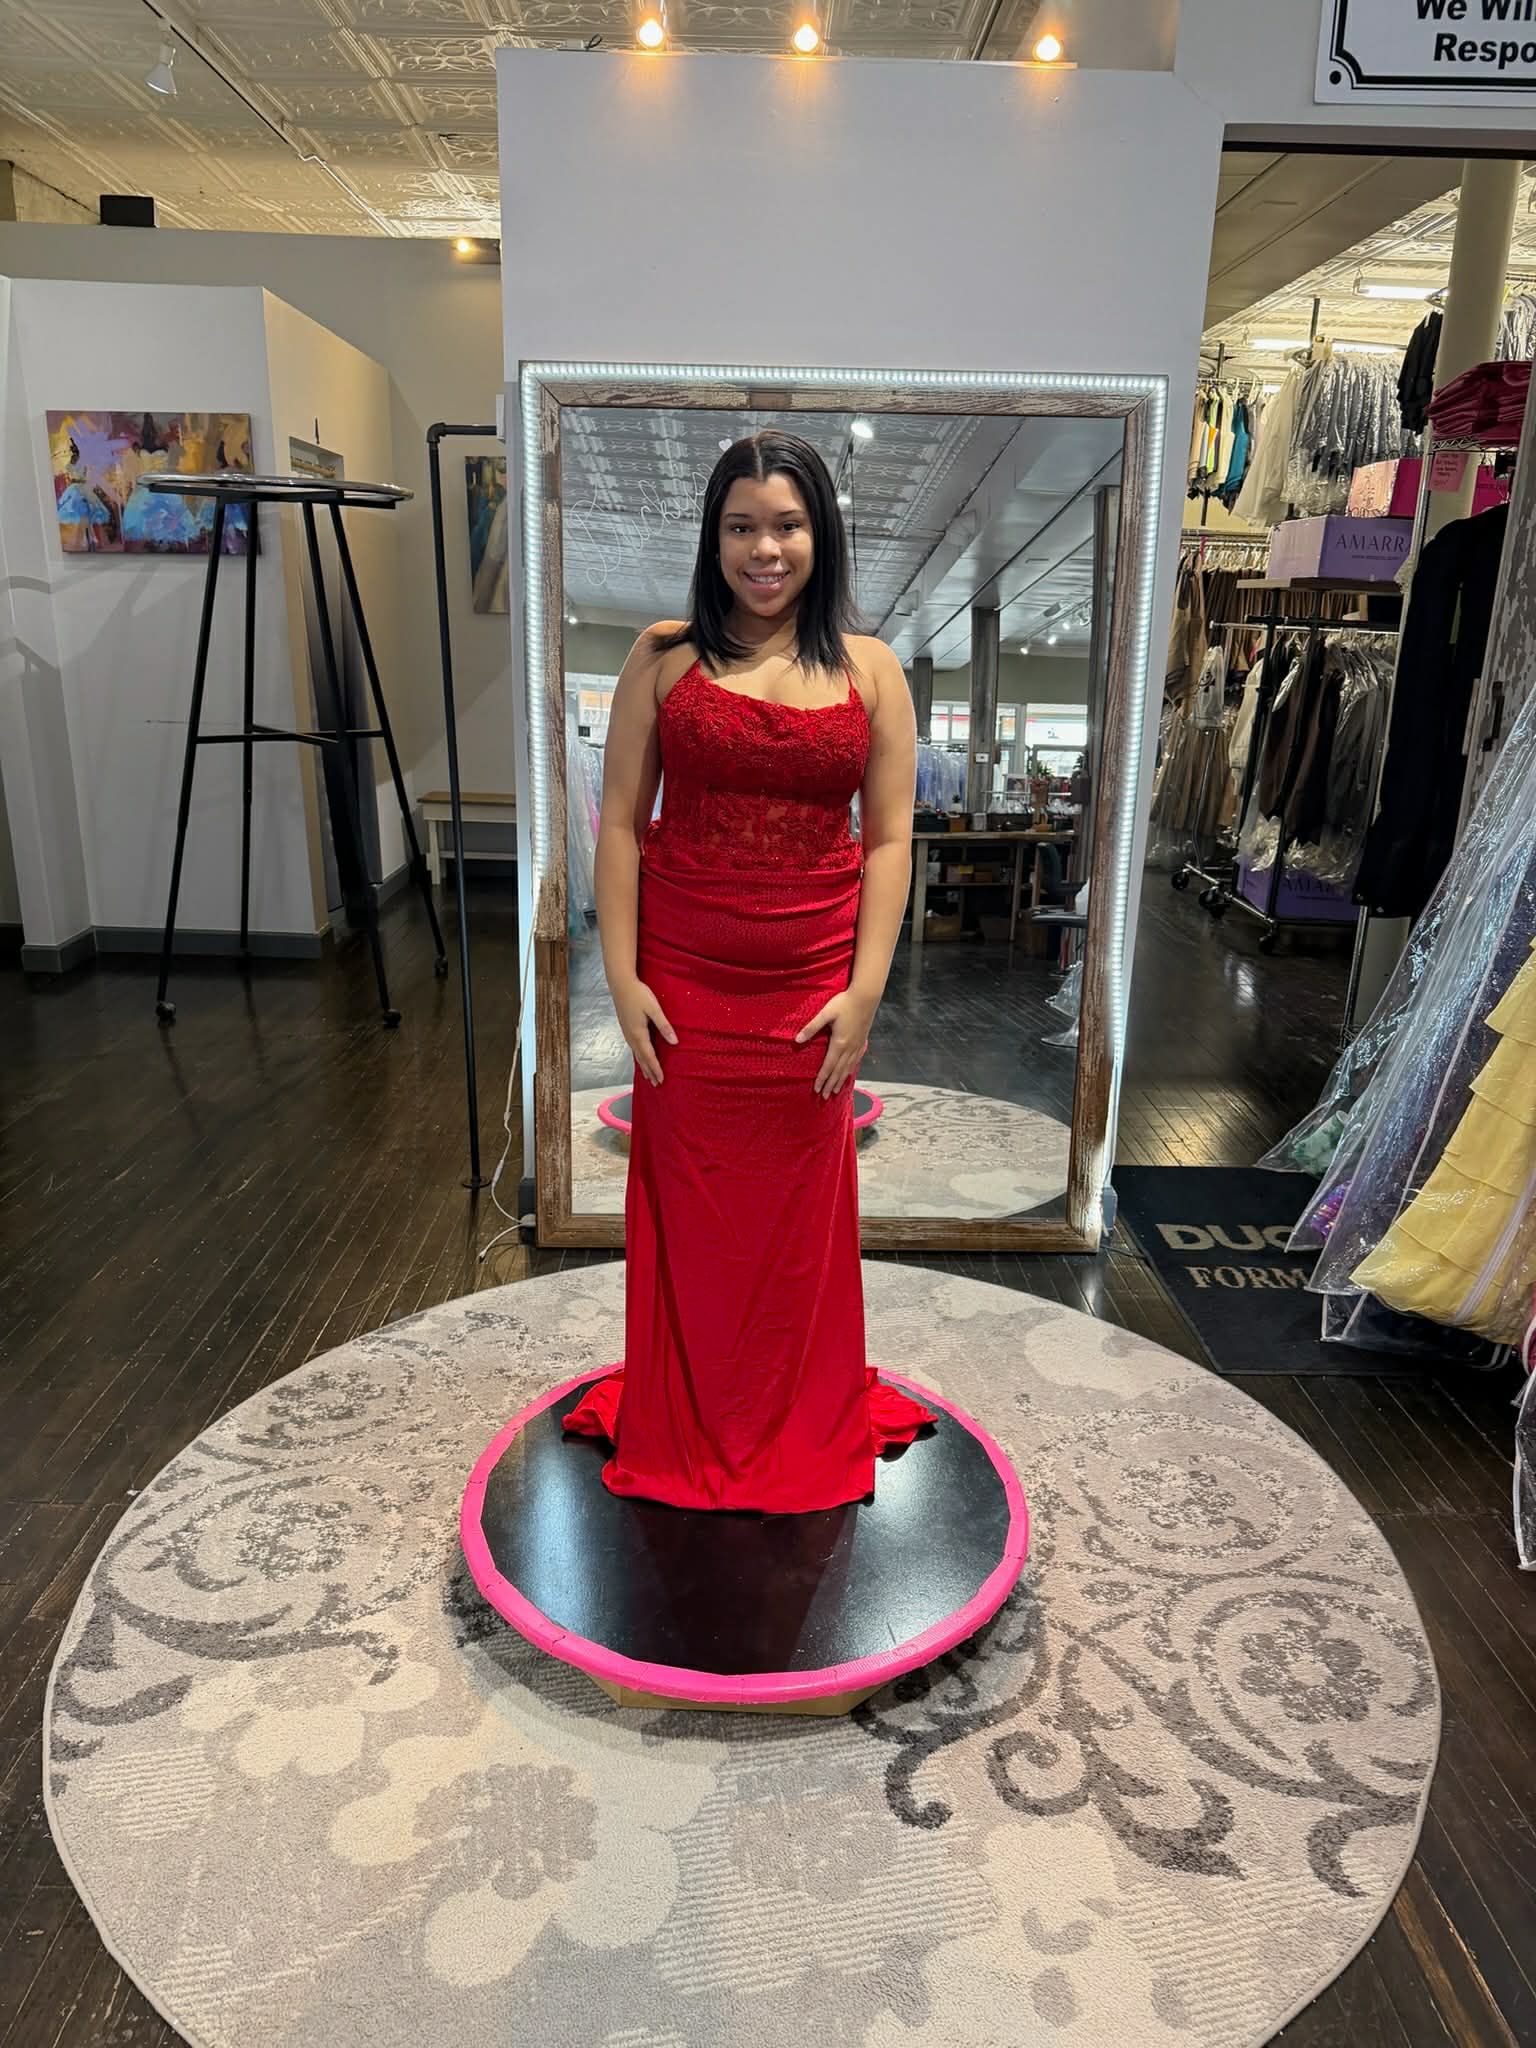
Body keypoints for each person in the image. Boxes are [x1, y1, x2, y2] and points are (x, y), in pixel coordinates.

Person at [562, 430, 935, 1511]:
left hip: (811, 988)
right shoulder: (664, 654)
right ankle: (691, 1414)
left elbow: (890, 841)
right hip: (682, 981)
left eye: (786, 524)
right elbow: (621, 827)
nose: (763, 549)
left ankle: (790, 1408)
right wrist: (620, 978)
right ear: (712, 535)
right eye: (741, 526)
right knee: (692, 1205)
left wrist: (867, 992)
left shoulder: (871, 669)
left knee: (794, 1217)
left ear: (820, 534)